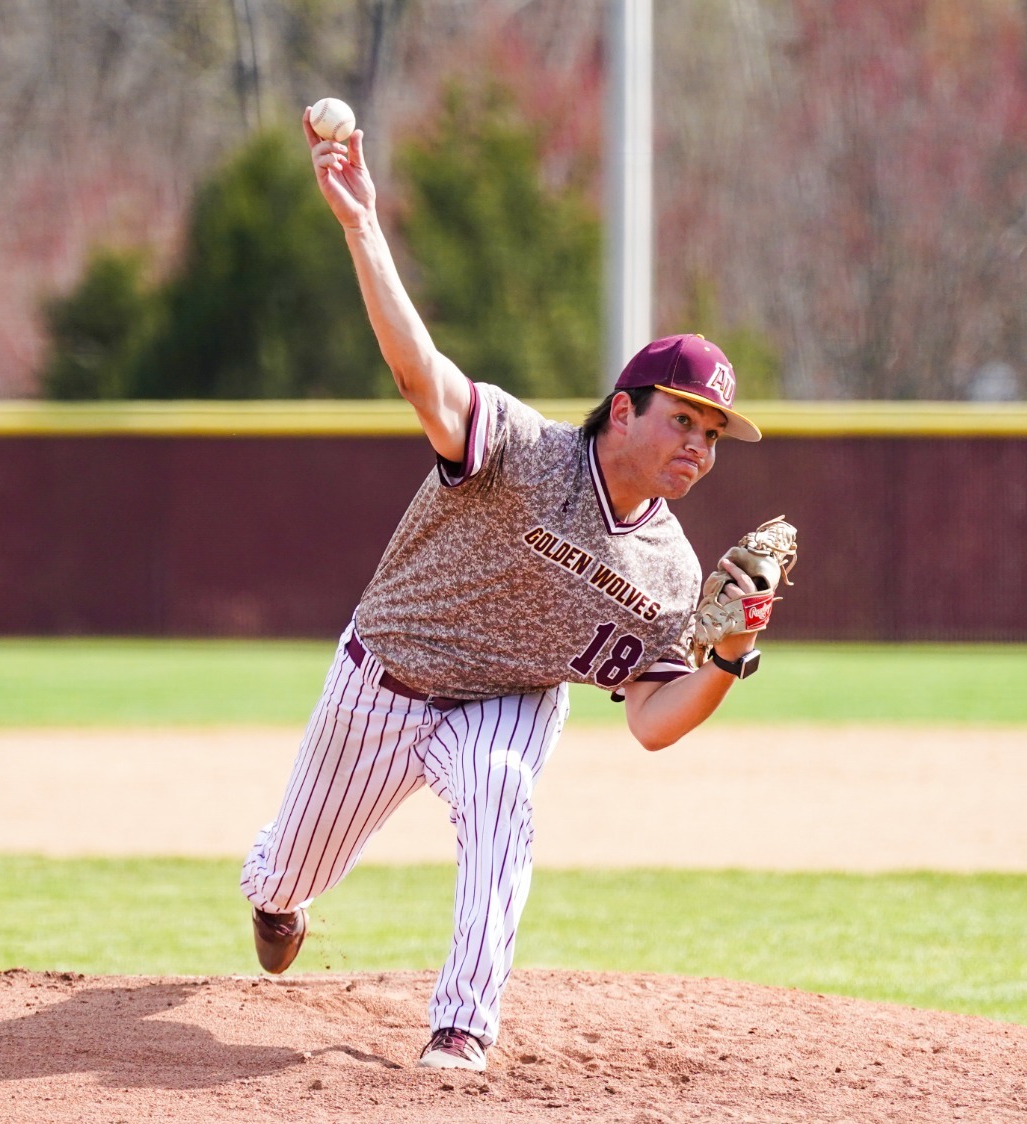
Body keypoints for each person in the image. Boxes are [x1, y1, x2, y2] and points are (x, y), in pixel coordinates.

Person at [238, 105, 775, 1073]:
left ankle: (460, 1027)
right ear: (623, 409)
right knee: (287, 872)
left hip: (512, 697)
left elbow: (651, 721)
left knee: (498, 789)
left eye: (711, 434)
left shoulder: (672, 571)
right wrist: (361, 226)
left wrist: (728, 656)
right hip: (384, 679)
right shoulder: (524, 450)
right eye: (684, 421)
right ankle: (279, 893)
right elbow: (419, 378)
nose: (698, 448)